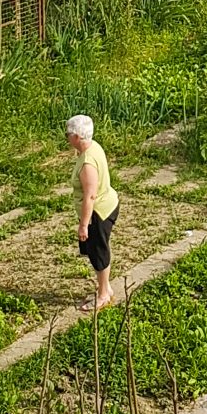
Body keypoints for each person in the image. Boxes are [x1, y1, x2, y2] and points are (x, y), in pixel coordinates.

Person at [66, 114, 119, 313]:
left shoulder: (87, 162)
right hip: (107, 204)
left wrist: (83, 225)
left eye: (68, 134)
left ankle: (104, 293)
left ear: (77, 137)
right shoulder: (93, 147)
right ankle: (104, 288)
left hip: (99, 212)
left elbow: (90, 196)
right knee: (98, 250)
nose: (67, 138)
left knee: (99, 252)